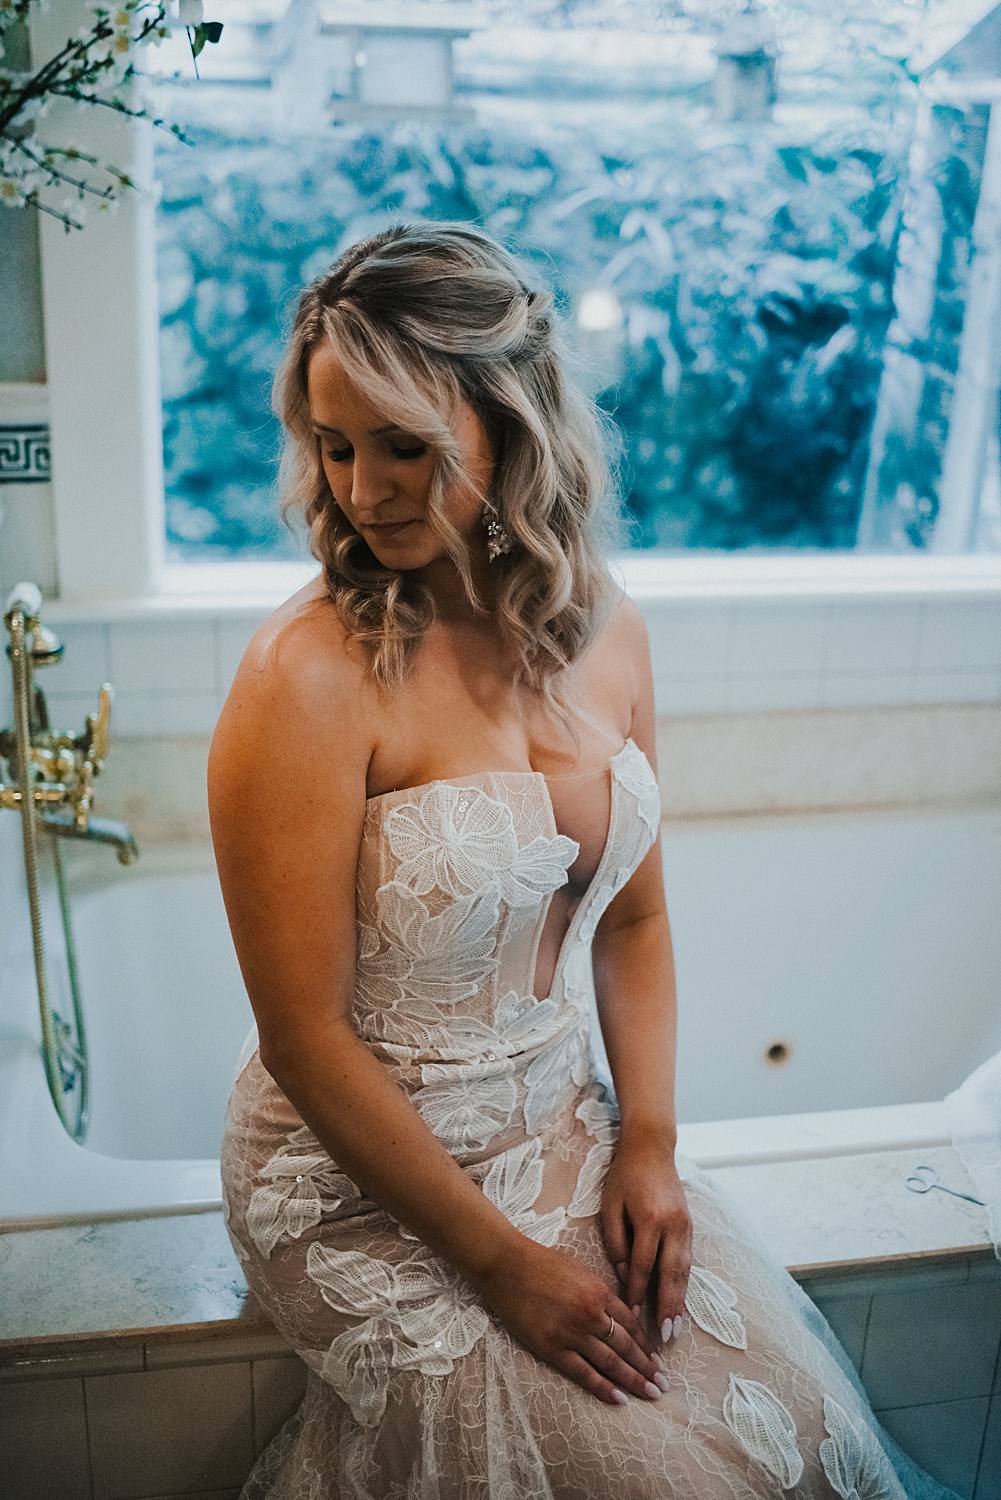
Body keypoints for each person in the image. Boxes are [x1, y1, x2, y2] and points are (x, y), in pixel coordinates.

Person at [209, 220, 961, 1499]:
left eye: (404, 445)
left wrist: (648, 1144)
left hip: (562, 1120)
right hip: (358, 1182)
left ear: (510, 427)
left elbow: (634, 922)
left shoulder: (606, 633)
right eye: (333, 445)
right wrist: (500, 1265)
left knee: (789, 1430)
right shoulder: (307, 676)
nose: (361, 488)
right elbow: (306, 1041)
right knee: (648, 1476)